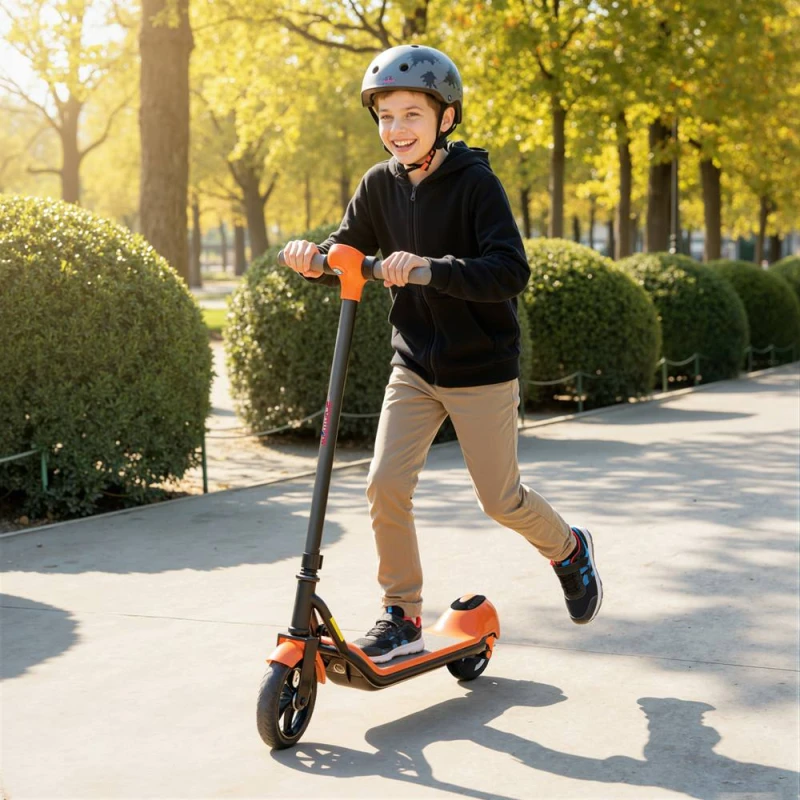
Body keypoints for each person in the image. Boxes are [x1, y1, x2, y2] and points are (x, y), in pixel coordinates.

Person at [282, 44, 602, 663]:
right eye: (386, 116)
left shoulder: (476, 185)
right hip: (416, 367)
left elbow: (509, 271)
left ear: (444, 119)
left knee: (500, 499)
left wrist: (433, 271)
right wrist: (313, 260)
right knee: (384, 485)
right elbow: (347, 251)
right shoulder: (377, 186)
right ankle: (402, 614)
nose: (397, 129)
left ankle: (569, 549)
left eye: (411, 115)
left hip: (480, 368)